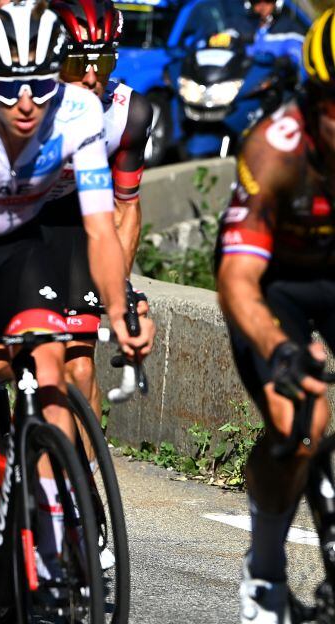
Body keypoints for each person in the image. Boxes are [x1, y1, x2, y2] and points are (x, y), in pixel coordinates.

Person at [0, 0, 154, 606]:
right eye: (9, 87)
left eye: (41, 85)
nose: (26, 102)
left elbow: (101, 230)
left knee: (52, 369)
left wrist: (119, 306)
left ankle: (56, 529)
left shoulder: (80, 112)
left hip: (16, 247)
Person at [217, 10, 335, 622]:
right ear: (313, 103)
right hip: (273, 282)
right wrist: (280, 348)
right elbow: (237, 279)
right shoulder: (274, 150)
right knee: (299, 423)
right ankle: (264, 569)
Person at [43, 0, 151, 484]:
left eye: (103, 61)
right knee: (0, 367)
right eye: (76, 63)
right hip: (16, 225)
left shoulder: (129, 113)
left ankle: (84, 493)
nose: (91, 76)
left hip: (79, 228)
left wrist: (119, 290)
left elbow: (125, 210)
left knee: (80, 368)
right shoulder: (23, 104)